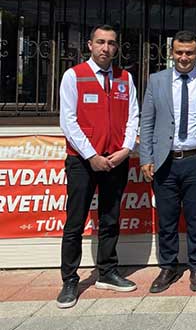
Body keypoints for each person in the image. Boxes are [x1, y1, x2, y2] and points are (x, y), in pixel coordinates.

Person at [57, 25, 139, 308]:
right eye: (100, 42)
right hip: (82, 162)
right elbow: (68, 121)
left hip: (116, 160)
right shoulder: (74, 76)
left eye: (111, 43)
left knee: (110, 218)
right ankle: (70, 280)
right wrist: (91, 155)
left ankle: (107, 271)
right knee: (75, 222)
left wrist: (126, 149)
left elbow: (133, 116)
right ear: (90, 45)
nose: (106, 48)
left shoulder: (125, 78)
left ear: (117, 48)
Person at [139, 30, 196, 293]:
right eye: (179, 52)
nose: (184, 57)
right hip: (165, 162)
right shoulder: (157, 81)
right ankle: (168, 266)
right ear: (171, 53)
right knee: (167, 219)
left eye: (190, 53)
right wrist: (146, 157)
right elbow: (147, 122)